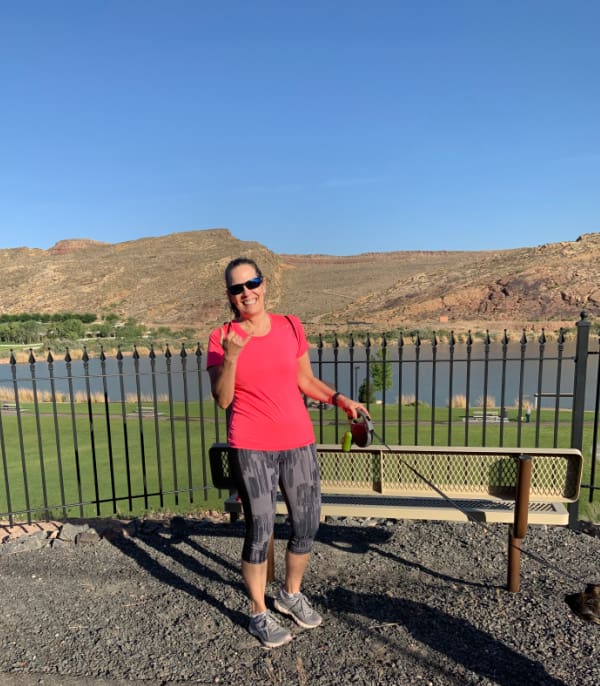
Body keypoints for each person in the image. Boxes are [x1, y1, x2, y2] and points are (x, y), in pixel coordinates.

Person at [206, 256, 369, 648]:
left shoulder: (290, 325)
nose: (247, 293)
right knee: (260, 529)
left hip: (298, 440)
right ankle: (258, 612)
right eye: (237, 288)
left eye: (252, 283)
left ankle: (290, 594)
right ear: (230, 296)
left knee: (308, 522)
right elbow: (222, 399)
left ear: (264, 284)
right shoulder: (221, 337)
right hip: (252, 444)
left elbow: (304, 380)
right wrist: (230, 357)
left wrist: (340, 399)